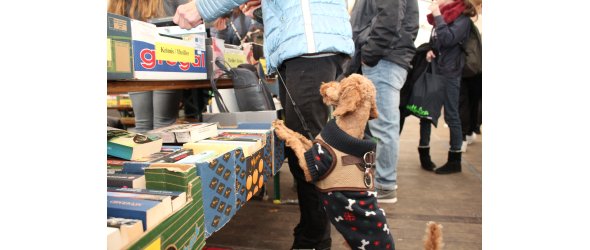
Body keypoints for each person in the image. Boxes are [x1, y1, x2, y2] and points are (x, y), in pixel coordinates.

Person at [173, 1, 354, 249]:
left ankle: (315, 239)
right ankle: (311, 231)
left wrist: (202, 7)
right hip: (306, 44)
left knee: (307, 150)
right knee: (302, 146)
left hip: (308, 45)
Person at [345, 0, 419, 204]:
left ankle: (385, 185)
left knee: (384, 126)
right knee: (378, 125)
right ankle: (380, 179)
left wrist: (369, 55)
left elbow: (389, 18)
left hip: (383, 60)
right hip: (383, 59)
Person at [107, 0, 188, 133]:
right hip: (166, 61)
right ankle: (165, 153)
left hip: (135, 62)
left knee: (143, 124)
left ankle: (144, 153)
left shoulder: (119, 3)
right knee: (164, 124)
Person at [418, 0, 477, 174]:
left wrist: (437, 14)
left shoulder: (463, 19)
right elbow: (438, 40)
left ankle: (454, 160)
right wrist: (431, 49)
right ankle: (424, 154)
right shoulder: (444, 15)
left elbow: (448, 38)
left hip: (450, 73)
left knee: (452, 115)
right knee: (426, 114)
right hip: (436, 69)